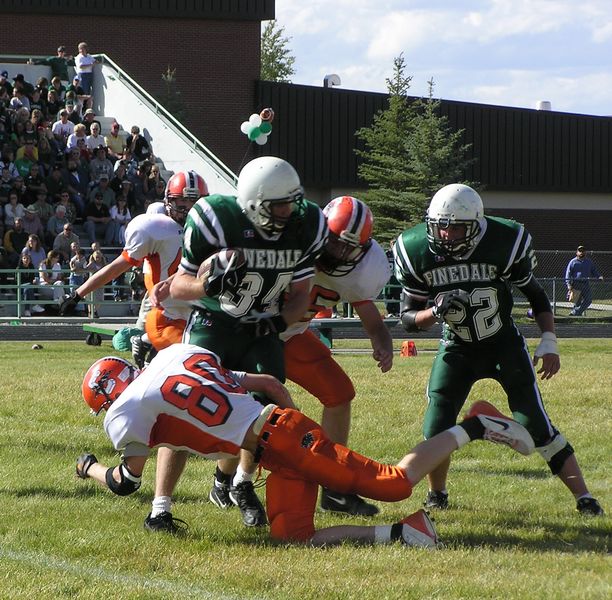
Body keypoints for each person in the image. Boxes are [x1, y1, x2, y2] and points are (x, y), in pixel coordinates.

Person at [75, 343, 535, 543]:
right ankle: (401, 533)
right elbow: (262, 381)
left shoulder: (124, 412)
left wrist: (89, 468)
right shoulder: (175, 356)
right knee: (293, 538)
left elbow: (124, 482)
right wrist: (281, 414)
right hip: (280, 443)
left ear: (107, 398)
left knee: (395, 485)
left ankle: (475, 424)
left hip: (286, 441)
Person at [393, 183, 604, 516]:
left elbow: (535, 294)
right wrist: (434, 313)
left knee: (537, 425)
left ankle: (585, 497)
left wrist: (548, 340)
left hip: (503, 344)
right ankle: (438, 494)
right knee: (436, 426)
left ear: (476, 225)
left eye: (456, 227)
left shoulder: (504, 242)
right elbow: (406, 317)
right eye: (440, 226)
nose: (446, 235)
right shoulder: (416, 248)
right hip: (456, 348)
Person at [158, 156, 327, 530]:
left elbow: (302, 294)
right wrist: (209, 284)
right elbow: (179, 287)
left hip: (261, 328)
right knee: (181, 407)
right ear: (253, 203)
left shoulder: (306, 224)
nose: (290, 210)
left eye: (293, 201)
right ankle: (161, 507)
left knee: (269, 413)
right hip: (213, 324)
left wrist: (278, 324)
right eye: (279, 204)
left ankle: (242, 483)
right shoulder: (217, 218)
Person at [281, 196, 393, 516]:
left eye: (349, 248)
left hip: (292, 337)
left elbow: (368, 311)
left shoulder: (364, 271)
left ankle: (333, 488)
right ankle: (232, 481)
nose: (339, 253)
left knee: (339, 393)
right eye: (334, 242)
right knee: (263, 411)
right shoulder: (295, 239)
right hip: (257, 336)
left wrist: (381, 340)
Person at [59, 170, 207, 339]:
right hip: (162, 309)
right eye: (182, 201)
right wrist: (78, 294)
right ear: (169, 201)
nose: (188, 208)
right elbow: (116, 268)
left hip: (198, 310)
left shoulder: (212, 231)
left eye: (194, 201)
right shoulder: (157, 227)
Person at [565, 245, 604, 316]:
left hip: (586, 284)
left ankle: (575, 312)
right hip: (576, 284)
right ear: (577, 252)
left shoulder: (589, 262)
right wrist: (568, 284)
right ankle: (576, 318)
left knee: (588, 300)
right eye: (580, 251)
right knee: (577, 302)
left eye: (583, 251)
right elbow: (568, 274)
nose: (581, 252)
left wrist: (599, 276)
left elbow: (594, 271)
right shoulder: (573, 262)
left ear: (585, 252)